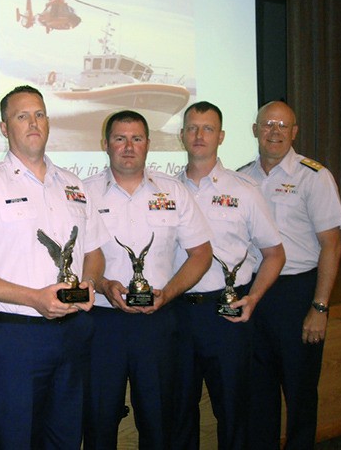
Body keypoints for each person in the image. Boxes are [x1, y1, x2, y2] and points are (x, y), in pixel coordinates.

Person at [0, 85, 110, 448]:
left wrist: (86, 285)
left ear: (48, 122)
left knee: (65, 439)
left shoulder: (73, 184)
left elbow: (94, 252)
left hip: (73, 333)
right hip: (14, 337)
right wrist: (33, 297)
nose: (33, 122)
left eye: (39, 114)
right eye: (22, 116)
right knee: (15, 440)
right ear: (5, 128)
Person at [82, 109, 213, 449]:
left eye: (136, 138)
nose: (128, 146)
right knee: (98, 420)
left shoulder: (172, 192)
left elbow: (201, 253)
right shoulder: (82, 193)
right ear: (105, 144)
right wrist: (105, 285)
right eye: (119, 138)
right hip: (101, 324)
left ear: (148, 145)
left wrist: (167, 294)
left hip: (158, 323)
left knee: (158, 421)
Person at [172, 102, 285, 449]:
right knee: (178, 414)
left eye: (207, 129)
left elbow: (274, 254)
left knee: (234, 413)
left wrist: (253, 297)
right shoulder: (163, 190)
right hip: (175, 314)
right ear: (182, 136)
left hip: (225, 316)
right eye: (192, 128)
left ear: (221, 136)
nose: (199, 135)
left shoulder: (244, 190)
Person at [239, 101, 341, 449]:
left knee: (300, 392)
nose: (275, 132)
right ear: (255, 130)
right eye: (268, 124)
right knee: (258, 392)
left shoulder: (313, 177)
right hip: (253, 290)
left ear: (294, 132)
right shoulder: (241, 179)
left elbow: (331, 245)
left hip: (297, 293)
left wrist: (319, 306)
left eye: (283, 126)